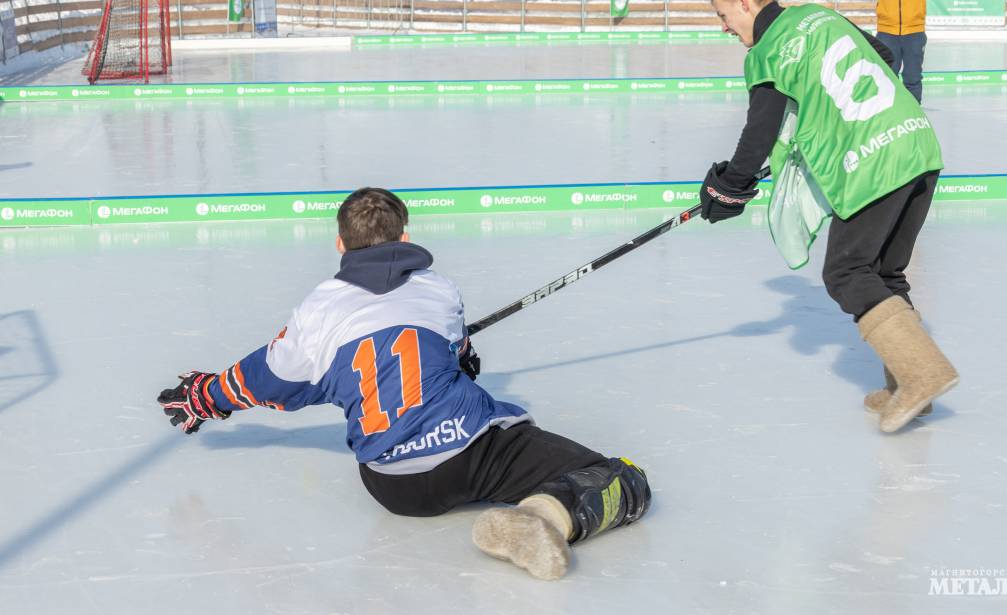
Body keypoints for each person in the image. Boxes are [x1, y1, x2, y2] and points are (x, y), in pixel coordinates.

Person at [157, 187, 650, 581]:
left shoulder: (319, 309)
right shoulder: (438, 289)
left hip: (395, 486)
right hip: (471, 453)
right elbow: (461, 361)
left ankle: (525, 512)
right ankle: (545, 518)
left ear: (340, 243)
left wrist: (205, 395)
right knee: (621, 478)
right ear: (405, 235)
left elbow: (270, 379)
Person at [699, 0, 958, 433]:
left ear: (744, 1)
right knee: (883, 271)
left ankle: (922, 375)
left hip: (873, 163)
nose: (725, 28)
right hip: (918, 143)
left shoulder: (767, 52)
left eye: (723, 15)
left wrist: (728, 188)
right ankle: (908, 387)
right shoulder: (820, 15)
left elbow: (759, 135)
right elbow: (880, 52)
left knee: (846, 271)